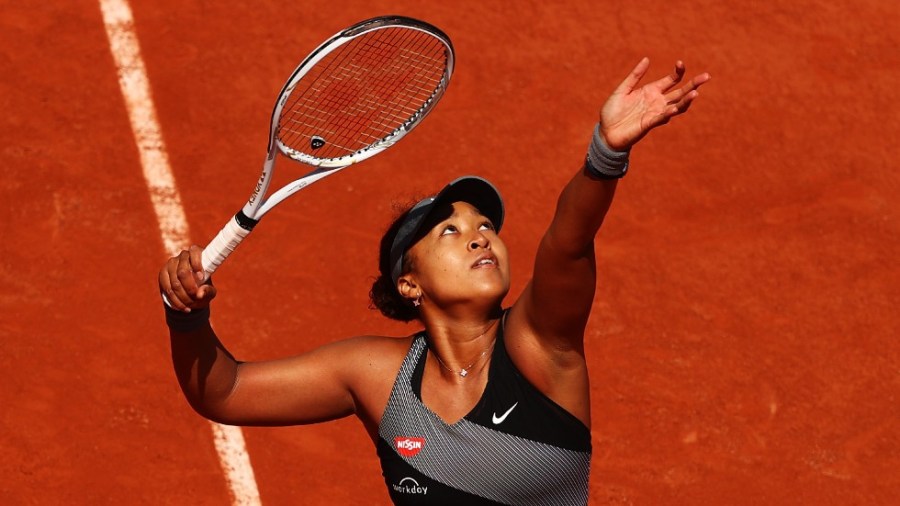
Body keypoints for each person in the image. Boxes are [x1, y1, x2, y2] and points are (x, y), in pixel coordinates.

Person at [159, 57, 710, 505]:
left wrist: (605, 154)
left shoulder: (538, 347)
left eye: (486, 226)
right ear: (409, 285)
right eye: (450, 231)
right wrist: (186, 317)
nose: (480, 237)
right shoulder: (377, 376)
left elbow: (567, 243)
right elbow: (226, 391)